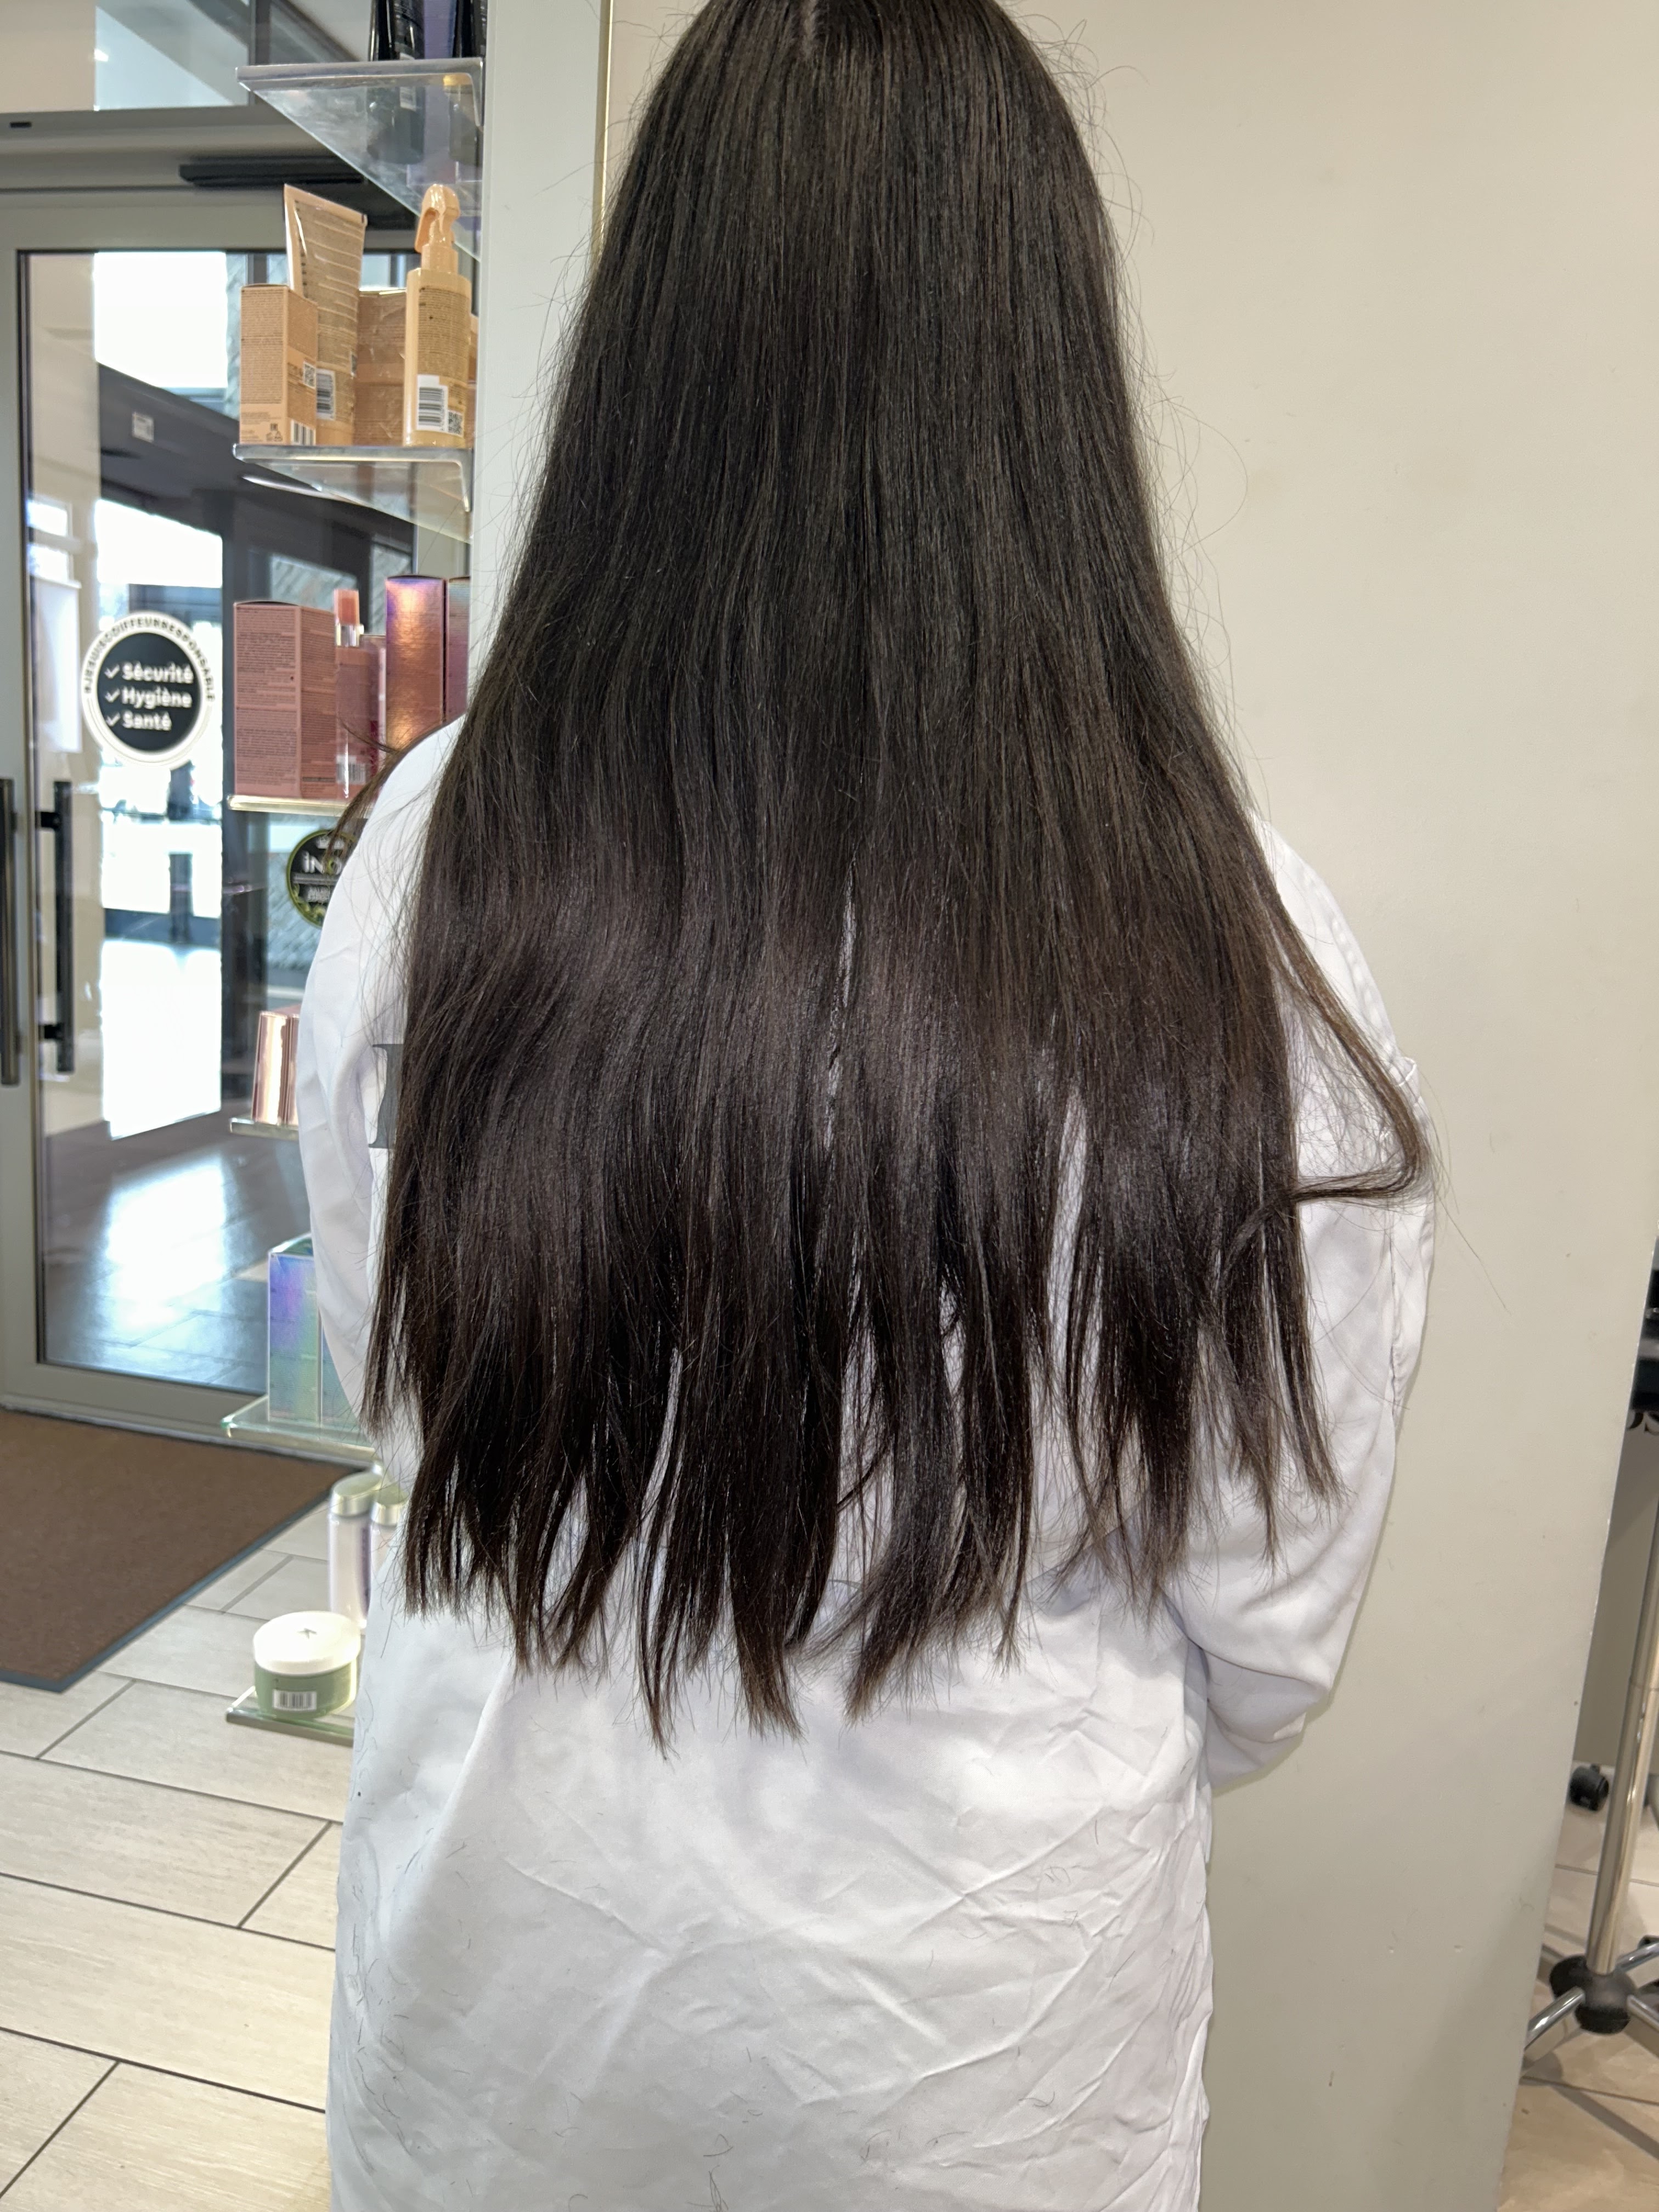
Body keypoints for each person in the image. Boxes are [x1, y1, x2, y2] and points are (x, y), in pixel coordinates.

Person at [297, 0, 1434, 2203]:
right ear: (1048, 395)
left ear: (648, 364)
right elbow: (1271, 1637)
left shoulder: (439, 849)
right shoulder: (1238, 947)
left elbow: (402, 1379)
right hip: (973, 2062)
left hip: (496, 2014)